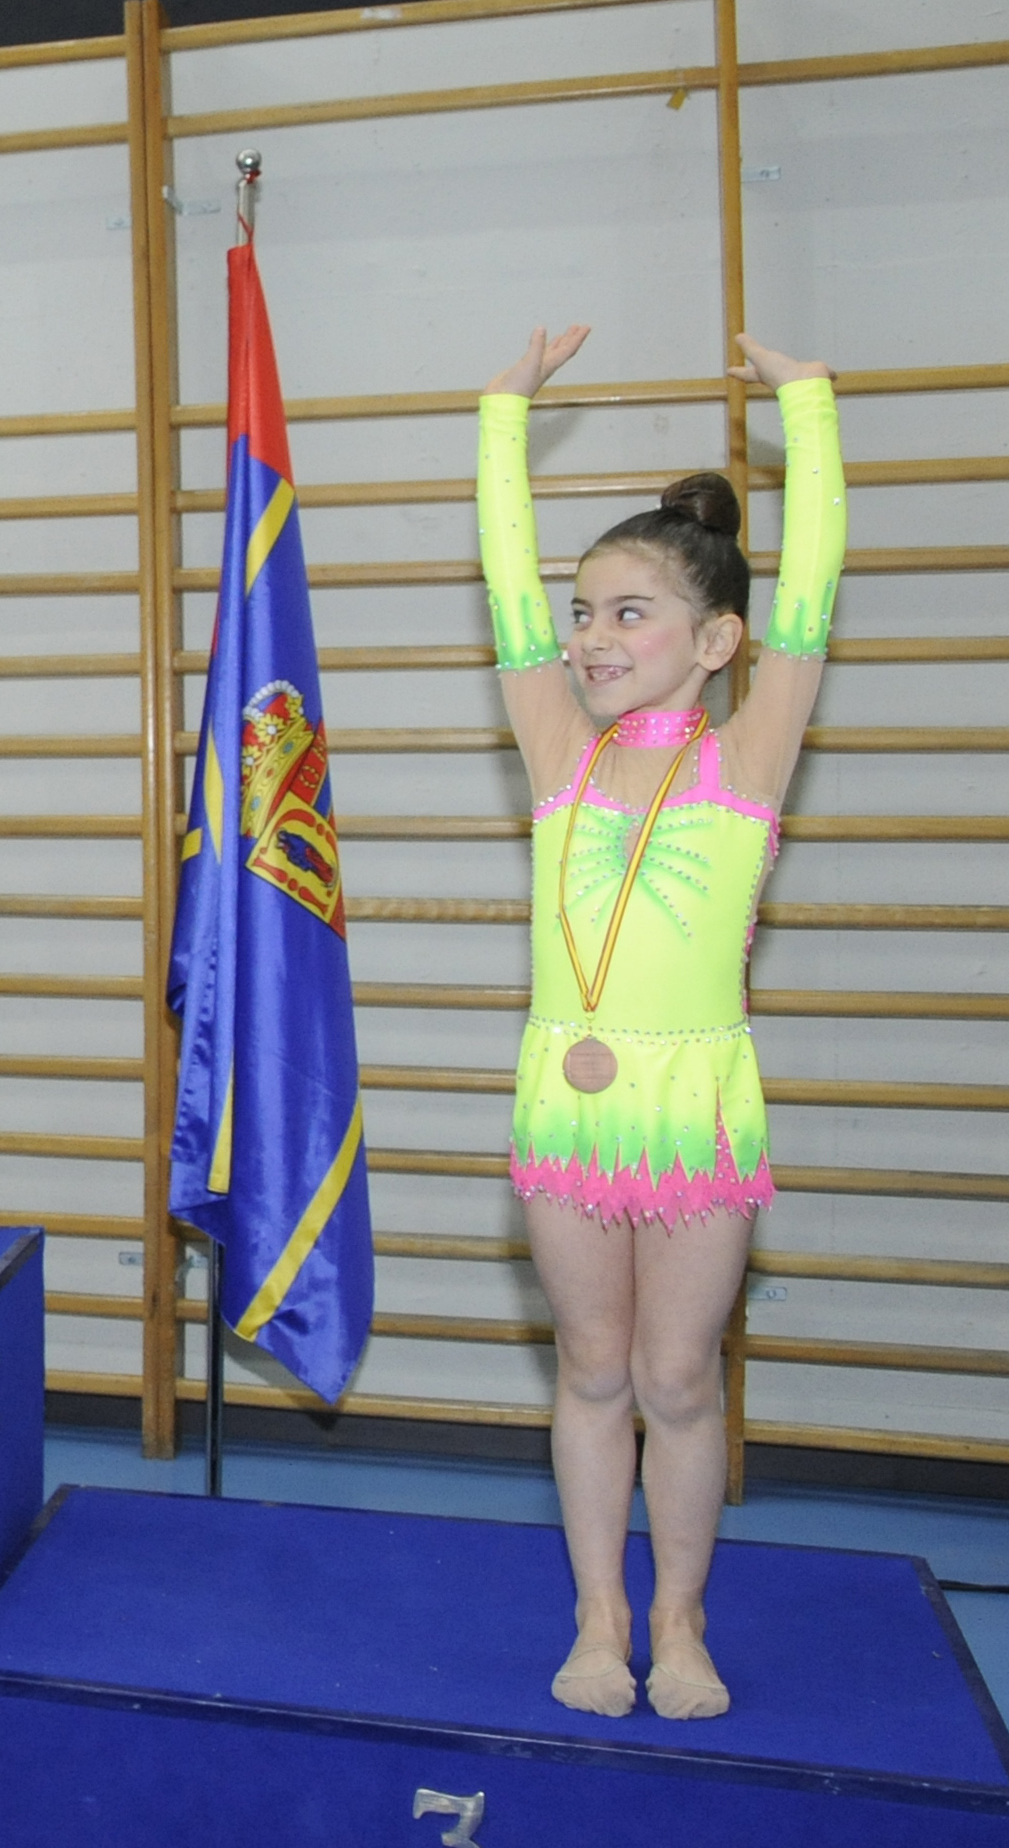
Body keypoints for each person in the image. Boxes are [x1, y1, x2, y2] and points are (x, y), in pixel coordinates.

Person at [477, 325, 843, 1718]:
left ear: (717, 641)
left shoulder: (749, 753)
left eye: (629, 614)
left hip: (695, 1105)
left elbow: (816, 588)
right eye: (584, 614)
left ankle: (681, 1622)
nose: (589, 638)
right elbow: (504, 585)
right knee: (591, 1366)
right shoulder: (558, 754)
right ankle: (600, 1616)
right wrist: (501, 417)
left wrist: (807, 409)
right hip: (568, 1107)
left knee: (678, 1377)